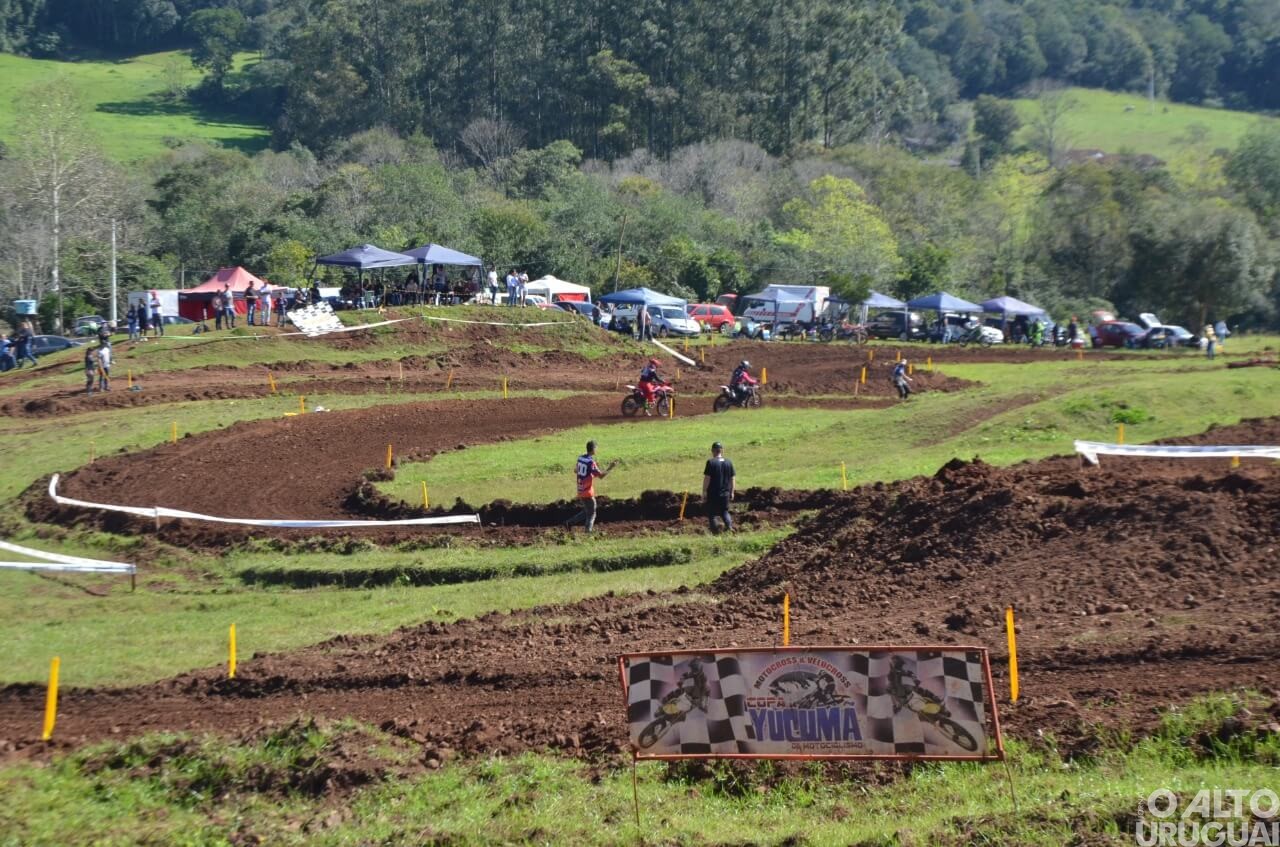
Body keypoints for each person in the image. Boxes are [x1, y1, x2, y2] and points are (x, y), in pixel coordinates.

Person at [565, 440, 616, 533]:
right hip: (587, 491)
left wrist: (589, 475)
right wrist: (611, 467)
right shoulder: (591, 462)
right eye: (596, 448)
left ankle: (569, 523)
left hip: (580, 489)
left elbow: (575, 470)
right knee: (592, 512)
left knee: (587, 511)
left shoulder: (580, 458)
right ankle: (588, 532)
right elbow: (601, 476)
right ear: (593, 449)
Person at [703, 441, 735, 534]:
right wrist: (732, 492)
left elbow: (707, 478)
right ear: (722, 451)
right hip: (725, 493)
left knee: (712, 514)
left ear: (712, 451)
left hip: (713, 493)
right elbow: (732, 478)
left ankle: (716, 532)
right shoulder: (729, 462)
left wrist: (704, 491)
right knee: (725, 512)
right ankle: (729, 527)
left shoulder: (710, 462)